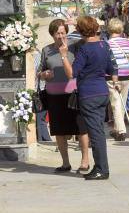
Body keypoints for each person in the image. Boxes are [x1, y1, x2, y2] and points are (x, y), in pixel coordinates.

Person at [61, 16, 119, 180]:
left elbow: (72, 73)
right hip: (102, 92)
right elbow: (111, 67)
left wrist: (64, 56)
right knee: (98, 131)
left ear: (80, 31)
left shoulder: (85, 49)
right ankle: (100, 166)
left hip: (89, 93)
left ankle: (101, 169)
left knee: (96, 134)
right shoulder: (104, 45)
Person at [38, 18, 90, 173]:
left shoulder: (76, 46)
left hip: (73, 94)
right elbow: (39, 71)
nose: (60, 36)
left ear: (67, 33)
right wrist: (43, 74)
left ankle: (85, 160)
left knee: (81, 128)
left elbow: (88, 36)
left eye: (62, 33)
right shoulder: (46, 50)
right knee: (59, 131)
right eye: (57, 33)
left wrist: (77, 23)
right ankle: (65, 163)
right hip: (54, 96)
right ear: (52, 34)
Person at [106, 18, 129, 141]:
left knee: (115, 103)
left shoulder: (107, 43)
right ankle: (116, 129)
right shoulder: (126, 42)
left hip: (112, 76)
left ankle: (121, 131)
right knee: (121, 103)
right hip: (126, 74)